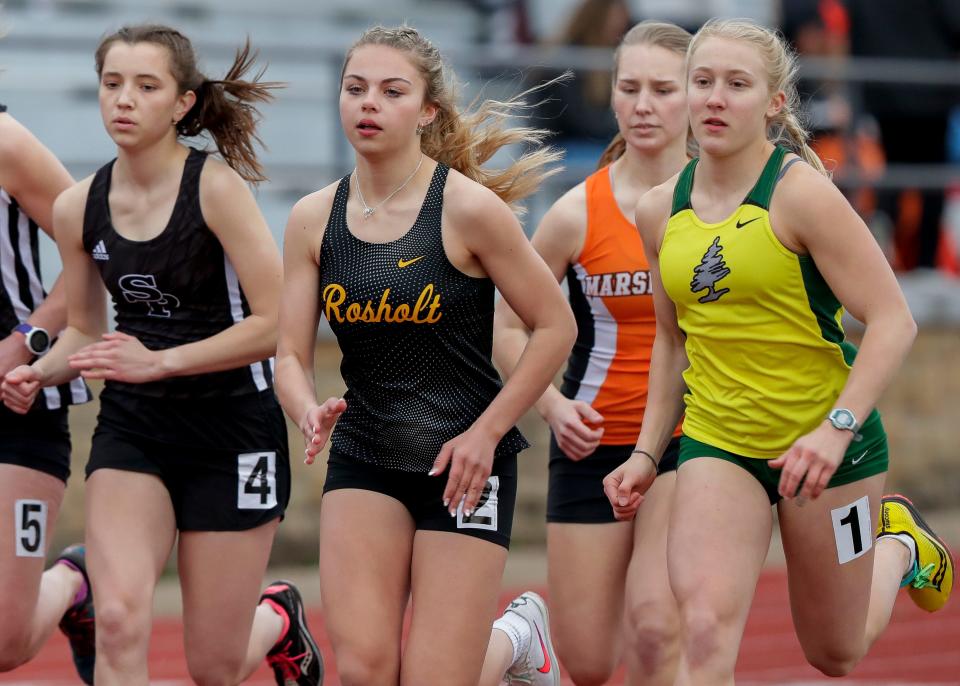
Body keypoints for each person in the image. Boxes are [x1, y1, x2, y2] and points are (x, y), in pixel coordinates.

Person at [603, 17, 954, 683]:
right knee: (701, 628)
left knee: (835, 651)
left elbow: (892, 320)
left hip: (824, 448)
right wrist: (648, 453)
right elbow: (673, 341)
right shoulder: (658, 209)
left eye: (736, 84)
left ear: (773, 103)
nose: (714, 98)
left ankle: (900, 546)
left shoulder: (801, 196)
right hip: (717, 442)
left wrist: (835, 430)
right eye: (702, 81)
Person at [1, 24, 322, 686]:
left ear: (182, 103)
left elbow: (280, 322)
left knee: (213, 665)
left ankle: (278, 619)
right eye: (112, 84)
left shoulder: (215, 189)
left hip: (233, 426)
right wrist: (41, 369)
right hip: (135, 428)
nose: (124, 100)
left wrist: (162, 360)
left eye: (146, 86)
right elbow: (86, 330)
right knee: (118, 622)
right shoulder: (75, 206)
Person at [274, 25, 576, 686]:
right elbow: (289, 355)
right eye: (355, 89)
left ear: (428, 109)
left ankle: (518, 635)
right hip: (366, 454)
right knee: (365, 671)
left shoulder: (469, 211)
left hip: (466, 464)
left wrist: (488, 431)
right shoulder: (310, 218)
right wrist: (305, 408)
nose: (369, 104)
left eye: (391, 91)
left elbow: (554, 326)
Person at [494, 20, 691, 686]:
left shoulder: (724, 206)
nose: (642, 104)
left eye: (663, 89)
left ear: (695, 96)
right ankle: (532, 636)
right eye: (629, 87)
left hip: (692, 440)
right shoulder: (577, 213)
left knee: (657, 627)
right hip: (594, 440)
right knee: (585, 662)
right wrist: (551, 405)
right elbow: (506, 325)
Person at [0, 106, 95, 683]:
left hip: (14, 403)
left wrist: (23, 340)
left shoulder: (5, 142)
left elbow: (98, 248)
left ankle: (75, 581)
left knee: (4, 642)